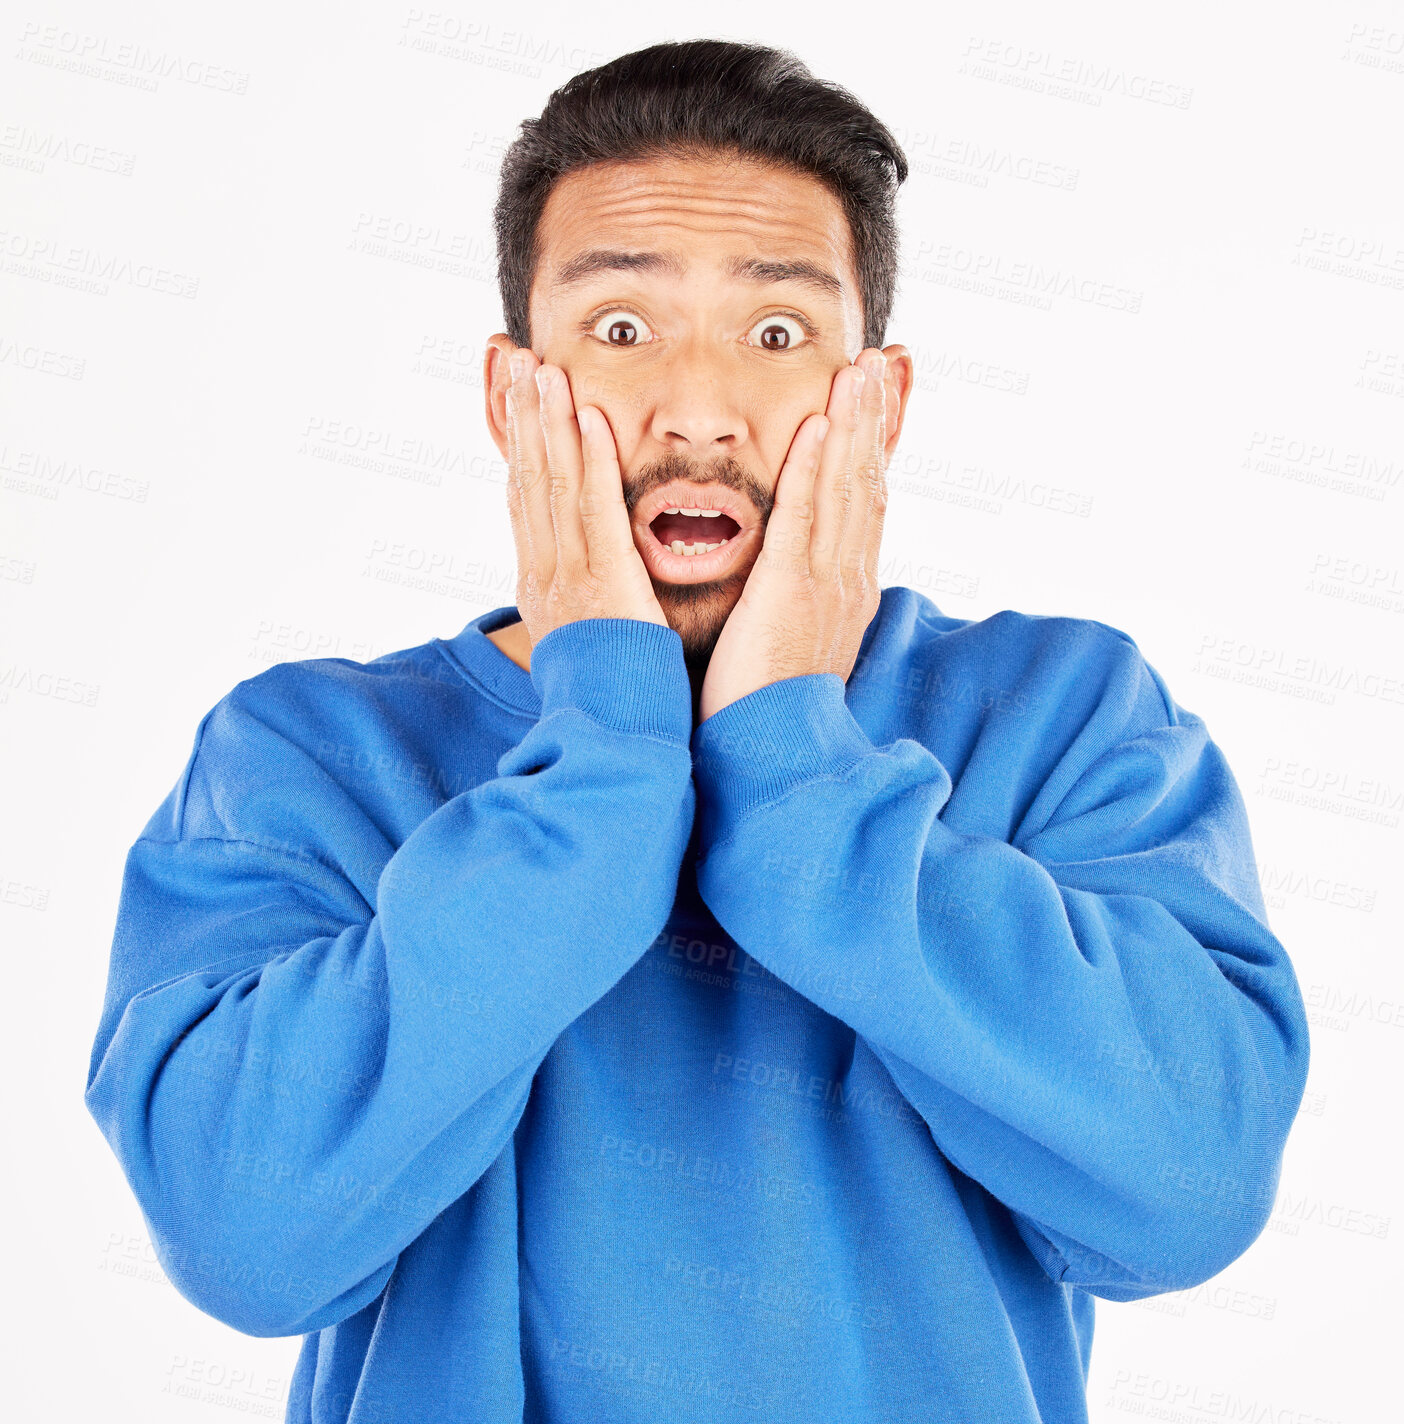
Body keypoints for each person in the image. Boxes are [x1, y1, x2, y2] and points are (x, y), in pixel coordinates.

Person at [84, 38, 1311, 1424]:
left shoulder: (1062, 716)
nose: (699, 413)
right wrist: (606, 747)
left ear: (880, 403)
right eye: (619, 331)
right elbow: (246, 1238)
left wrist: (795, 762)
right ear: (509, 396)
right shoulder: (306, 755)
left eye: (779, 336)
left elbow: (1188, 1190)